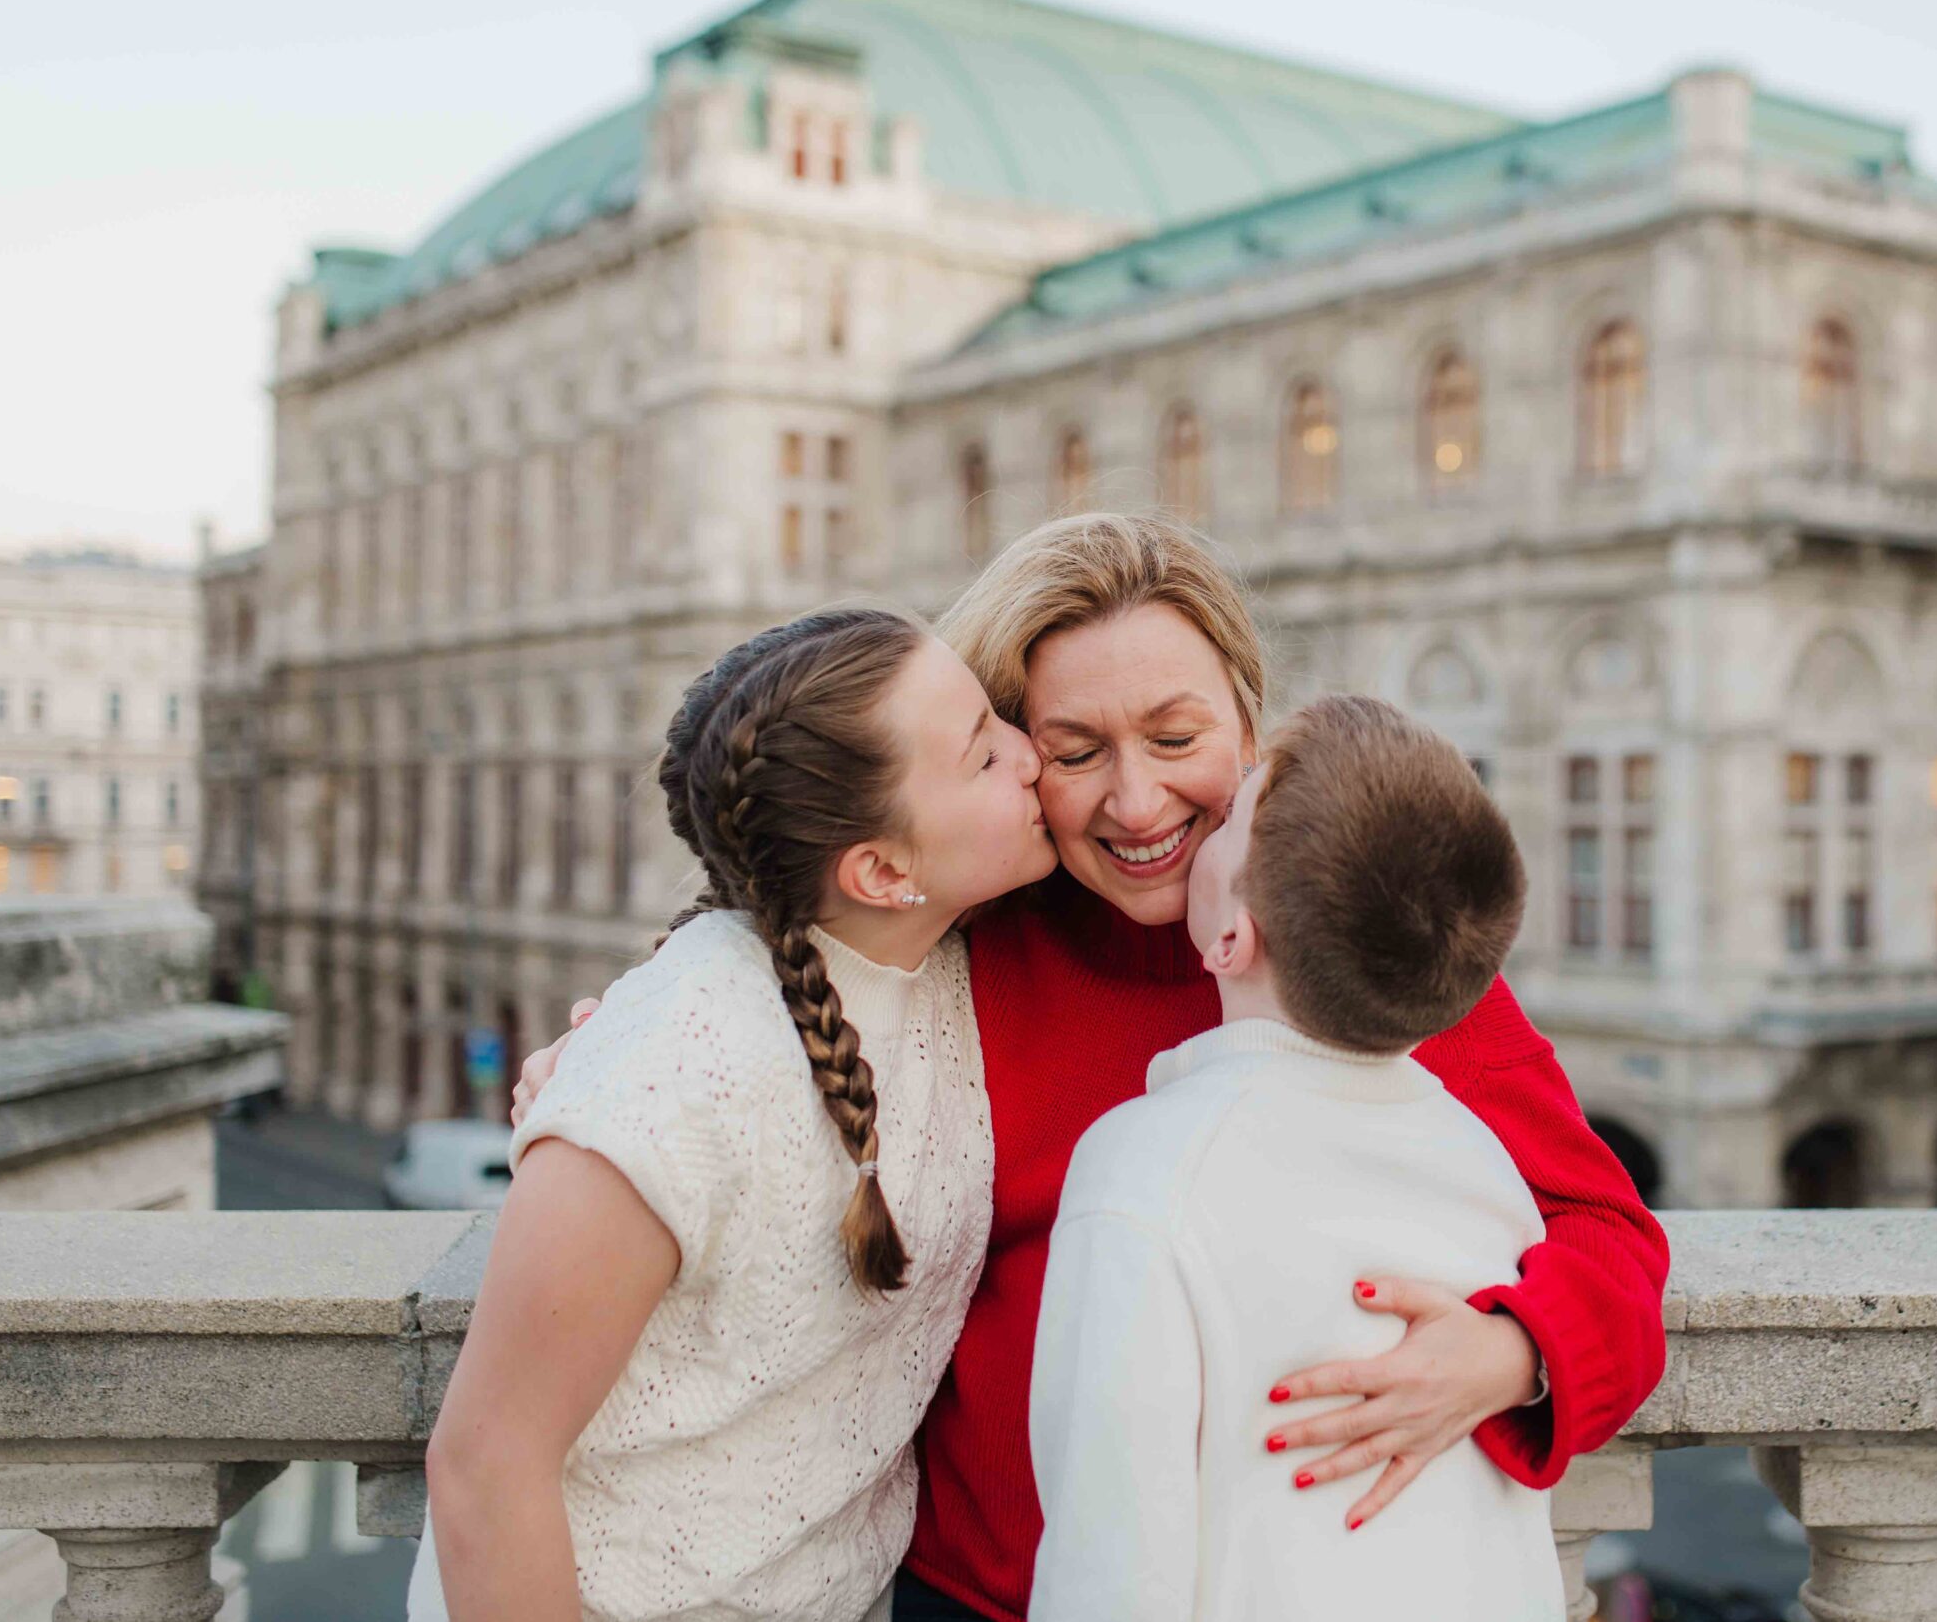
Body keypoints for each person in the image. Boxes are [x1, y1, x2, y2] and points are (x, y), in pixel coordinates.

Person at [516, 513, 1671, 1622]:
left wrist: (1511, 1352)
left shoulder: (1359, 940)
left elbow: (1609, 1237)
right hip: (968, 1593)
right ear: (1014, 756)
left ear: (1247, 716)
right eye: (1076, 752)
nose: (1136, 800)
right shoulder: (960, 934)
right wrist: (597, 1065)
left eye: (1177, 739)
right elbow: (763, 978)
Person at [415, 607, 1053, 1622]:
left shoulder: (930, 952)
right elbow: (486, 1463)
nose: (1031, 756)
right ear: (881, 871)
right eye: (983, 753)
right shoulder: (678, 1065)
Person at [1030, 695, 1563, 1622]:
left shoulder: (1143, 1167)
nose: (1216, 807)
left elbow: (1109, 1562)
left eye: (1235, 815)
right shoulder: (1484, 1159)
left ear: (1233, 938)